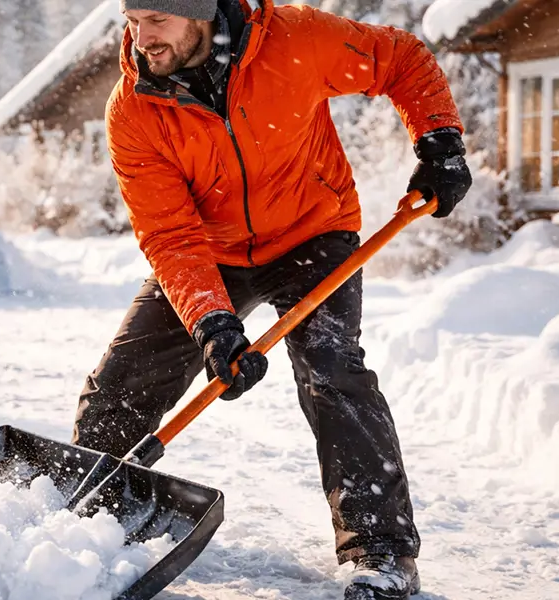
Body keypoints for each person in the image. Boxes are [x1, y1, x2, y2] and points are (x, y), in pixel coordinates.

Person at [70, 0, 472, 598]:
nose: (141, 38)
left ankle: (381, 550)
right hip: (210, 250)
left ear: (198, 12)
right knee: (125, 378)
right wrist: (213, 324)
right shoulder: (134, 107)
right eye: (132, 21)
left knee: (332, 370)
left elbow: (400, 58)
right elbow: (169, 234)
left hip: (312, 234)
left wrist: (439, 142)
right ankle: (81, 512)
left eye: (157, 21)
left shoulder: (293, 41)